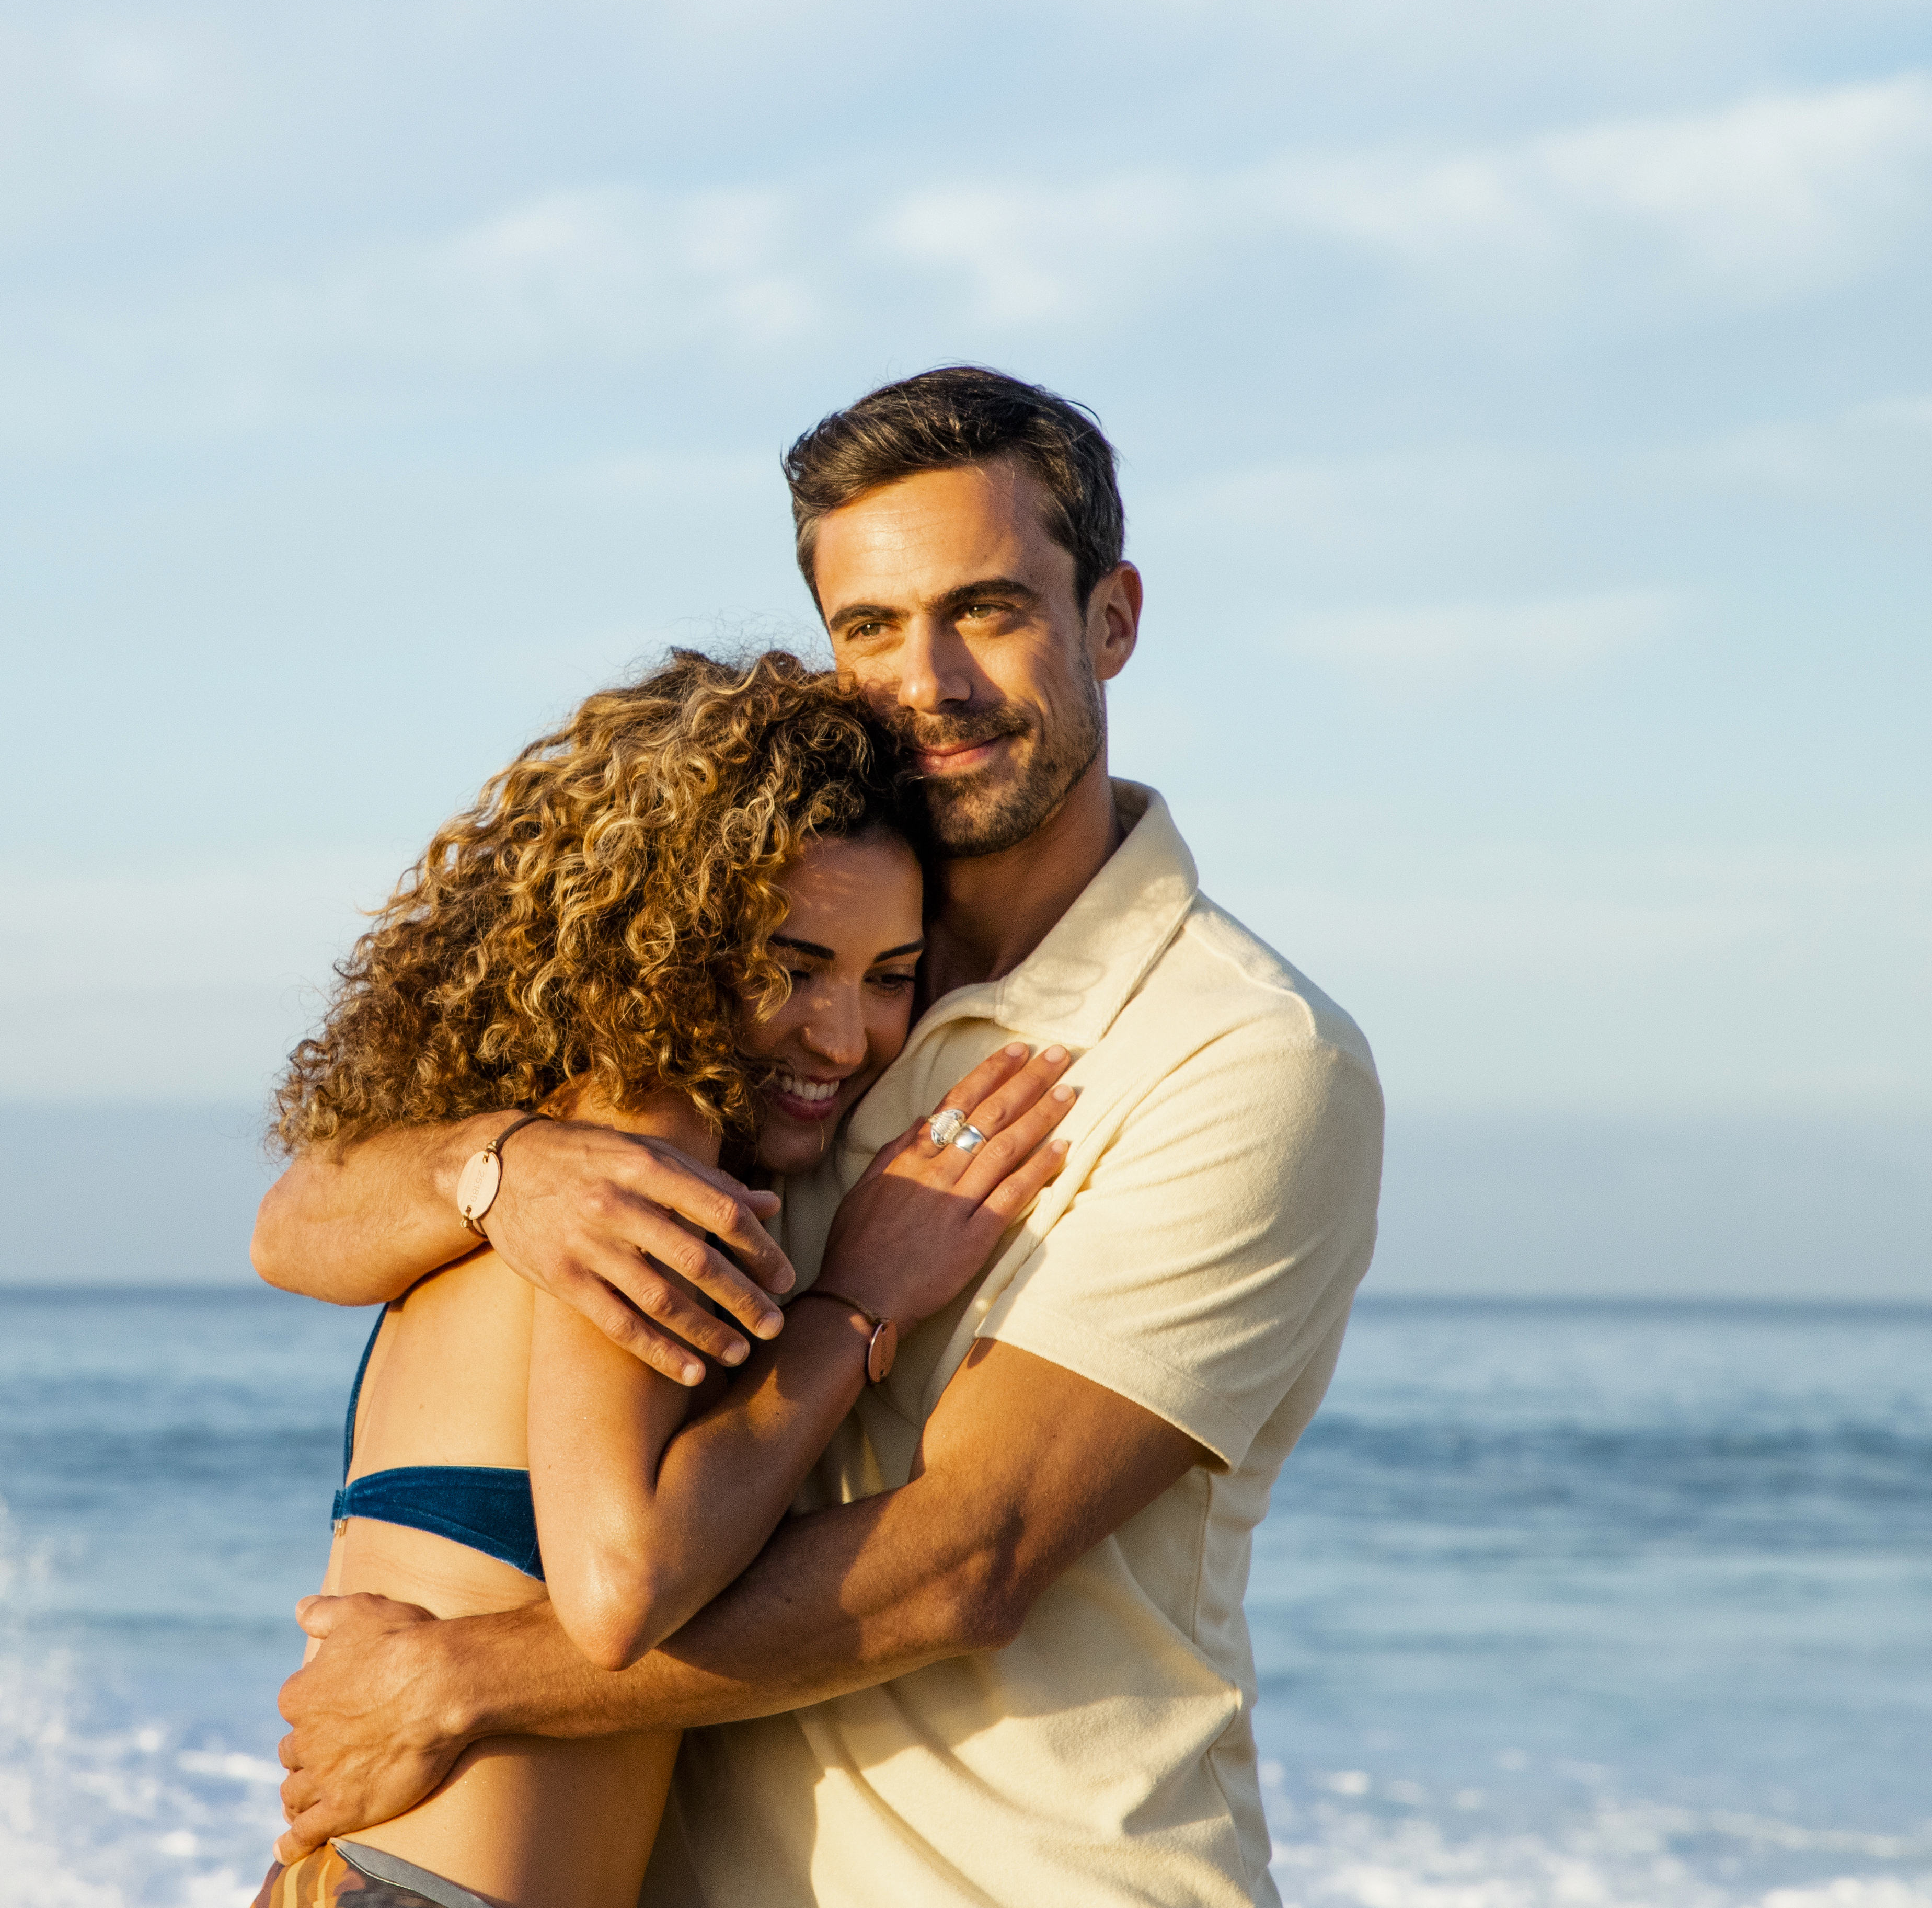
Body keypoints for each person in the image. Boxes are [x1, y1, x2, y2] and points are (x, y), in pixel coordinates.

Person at [255, 366, 1384, 1905]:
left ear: (1109, 618)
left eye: (986, 609)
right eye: (869, 627)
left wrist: (465, 1682)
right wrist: (498, 1169)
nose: (925, 679)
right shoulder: (768, 995)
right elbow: (299, 1225)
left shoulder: (1236, 1054)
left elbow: (962, 1560)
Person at [253, 650, 1079, 1908]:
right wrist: (853, 1306)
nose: (843, 1035)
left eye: (888, 976)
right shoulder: (643, 1137)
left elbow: (286, 1231)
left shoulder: (552, 1135)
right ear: (673, 944)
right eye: (790, 966)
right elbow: (620, 1584)